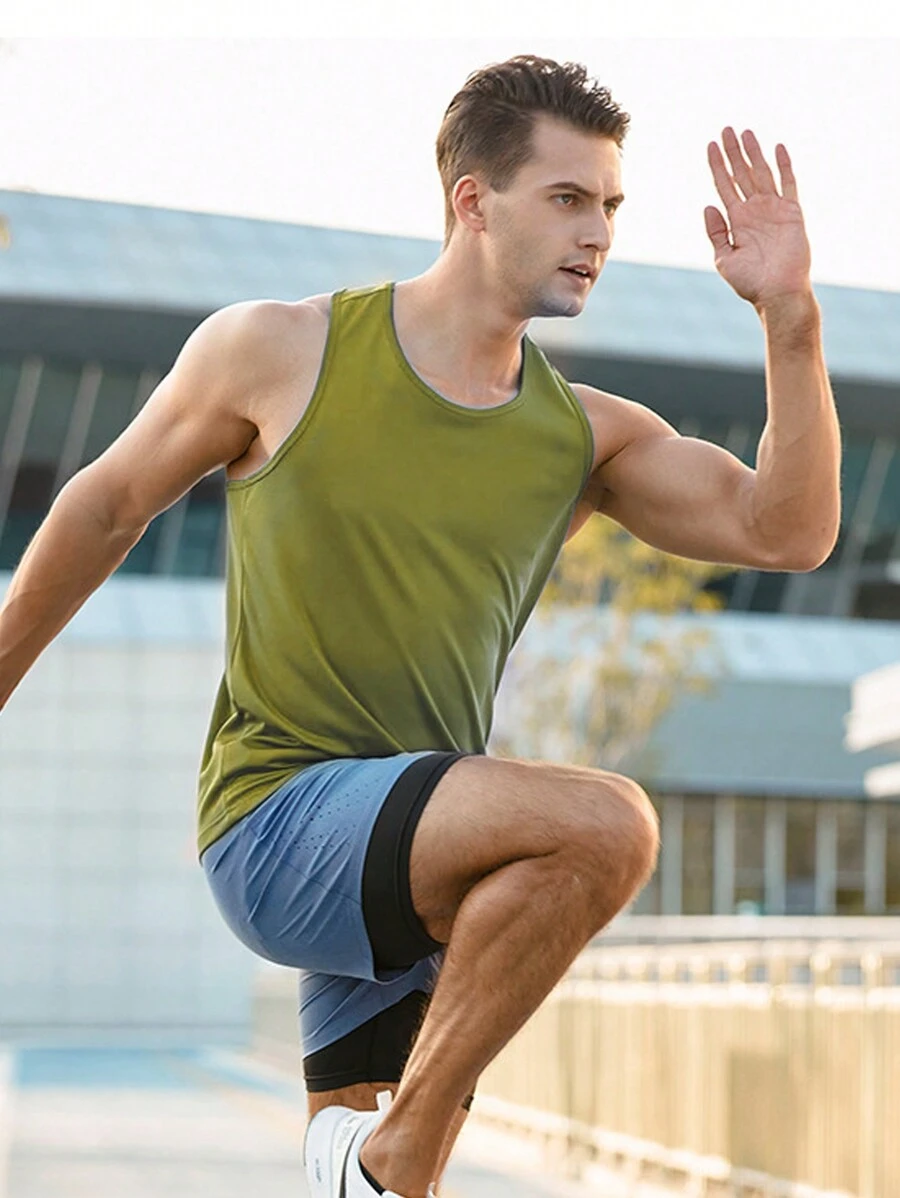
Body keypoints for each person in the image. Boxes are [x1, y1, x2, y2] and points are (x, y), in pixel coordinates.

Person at [0, 53, 840, 1198]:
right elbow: (104, 504)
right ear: (472, 200)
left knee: (360, 1175)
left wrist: (790, 317)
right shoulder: (282, 350)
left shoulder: (583, 435)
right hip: (280, 821)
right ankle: (400, 1154)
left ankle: (385, 1160)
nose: (597, 233)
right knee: (605, 829)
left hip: (422, 860)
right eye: (567, 199)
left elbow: (786, 532)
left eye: (610, 206)